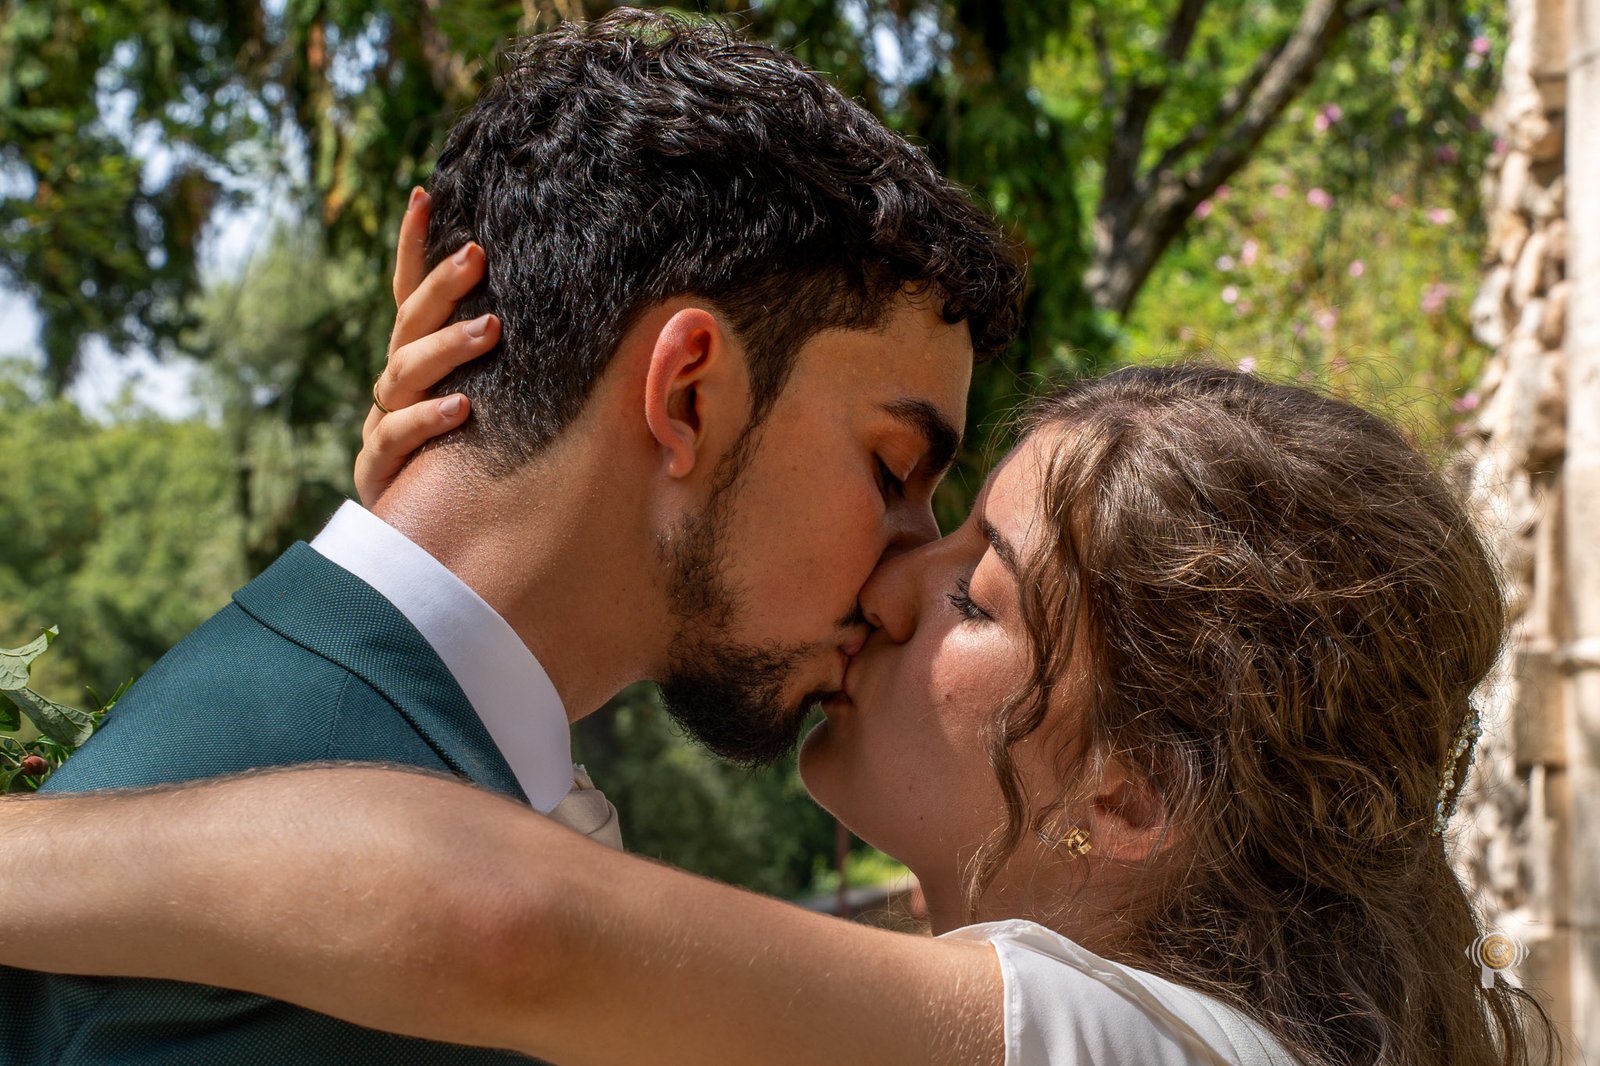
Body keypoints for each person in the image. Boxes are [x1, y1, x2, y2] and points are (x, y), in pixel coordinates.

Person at [0, 363, 1558, 1066]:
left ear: (1133, 793)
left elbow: (507, 926)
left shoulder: (1136, 1044)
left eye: (977, 598)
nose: (889, 580)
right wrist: (456, 556)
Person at [0, 10, 1022, 1064]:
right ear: (686, 394)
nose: (908, 565)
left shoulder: (324, 745)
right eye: (893, 470)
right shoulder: (236, 977)